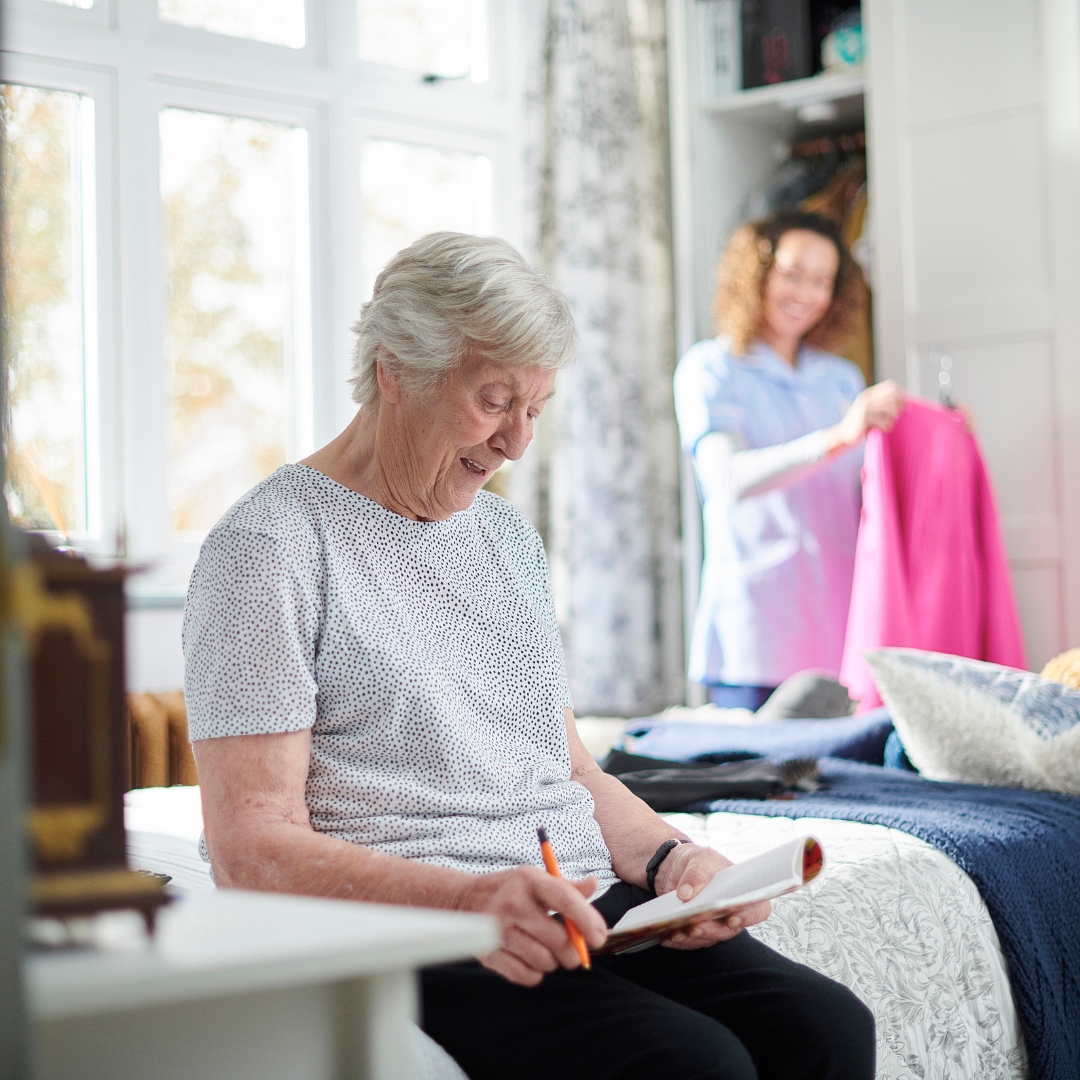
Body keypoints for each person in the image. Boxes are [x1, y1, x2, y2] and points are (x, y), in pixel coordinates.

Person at [186, 232, 875, 1080]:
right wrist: (474, 898)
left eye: (535, 409)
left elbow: (568, 767)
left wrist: (672, 863)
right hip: (426, 922)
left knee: (827, 1026)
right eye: (492, 401)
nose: (516, 442)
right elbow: (250, 848)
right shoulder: (267, 548)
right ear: (396, 370)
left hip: (575, 900)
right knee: (695, 1064)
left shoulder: (506, 536)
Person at [674, 211, 906, 710]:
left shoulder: (842, 379)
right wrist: (838, 436)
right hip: (755, 634)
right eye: (793, 274)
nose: (806, 293)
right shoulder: (710, 370)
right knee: (756, 781)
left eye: (821, 281)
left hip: (841, 629)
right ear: (756, 273)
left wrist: (941, 433)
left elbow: (875, 485)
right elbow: (727, 479)